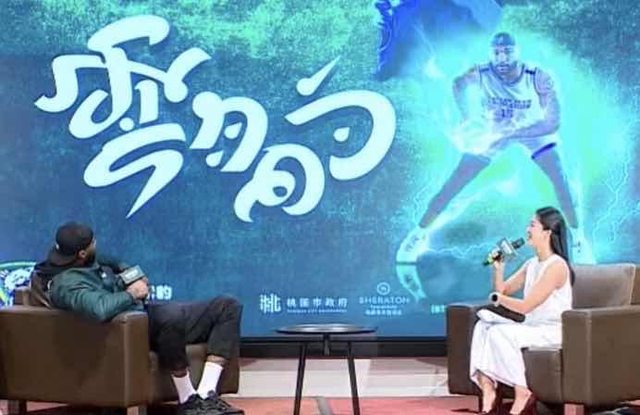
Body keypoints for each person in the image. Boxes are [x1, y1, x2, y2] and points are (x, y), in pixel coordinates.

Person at [396, 32, 592, 264]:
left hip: (531, 132)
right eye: (497, 53)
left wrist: (515, 132)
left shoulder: (537, 77)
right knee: (455, 181)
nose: (502, 58)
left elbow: (552, 123)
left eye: (507, 52)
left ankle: (578, 239)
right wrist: (467, 115)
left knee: (560, 179)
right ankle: (417, 235)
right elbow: (458, 84)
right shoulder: (481, 72)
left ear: (517, 52)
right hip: (497, 131)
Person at [33, 222, 244, 415]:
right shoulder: (66, 284)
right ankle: (188, 400)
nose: (96, 245)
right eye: (93, 243)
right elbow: (99, 309)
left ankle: (206, 394)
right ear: (81, 253)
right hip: (122, 332)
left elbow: (119, 264)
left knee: (227, 306)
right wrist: (132, 293)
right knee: (171, 317)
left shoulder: (87, 260)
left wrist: (133, 275)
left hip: (141, 315)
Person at [469, 206, 574, 414]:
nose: (527, 230)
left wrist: (499, 300)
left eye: (532, 225)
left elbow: (526, 306)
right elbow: (503, 290)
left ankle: (522, 390)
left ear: (547, 233)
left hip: (551, 330)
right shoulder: (531, 264)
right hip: (532, 326)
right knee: (482, 326)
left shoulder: (556, 266)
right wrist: (498, 269)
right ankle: (488, 389)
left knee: (499, 333)